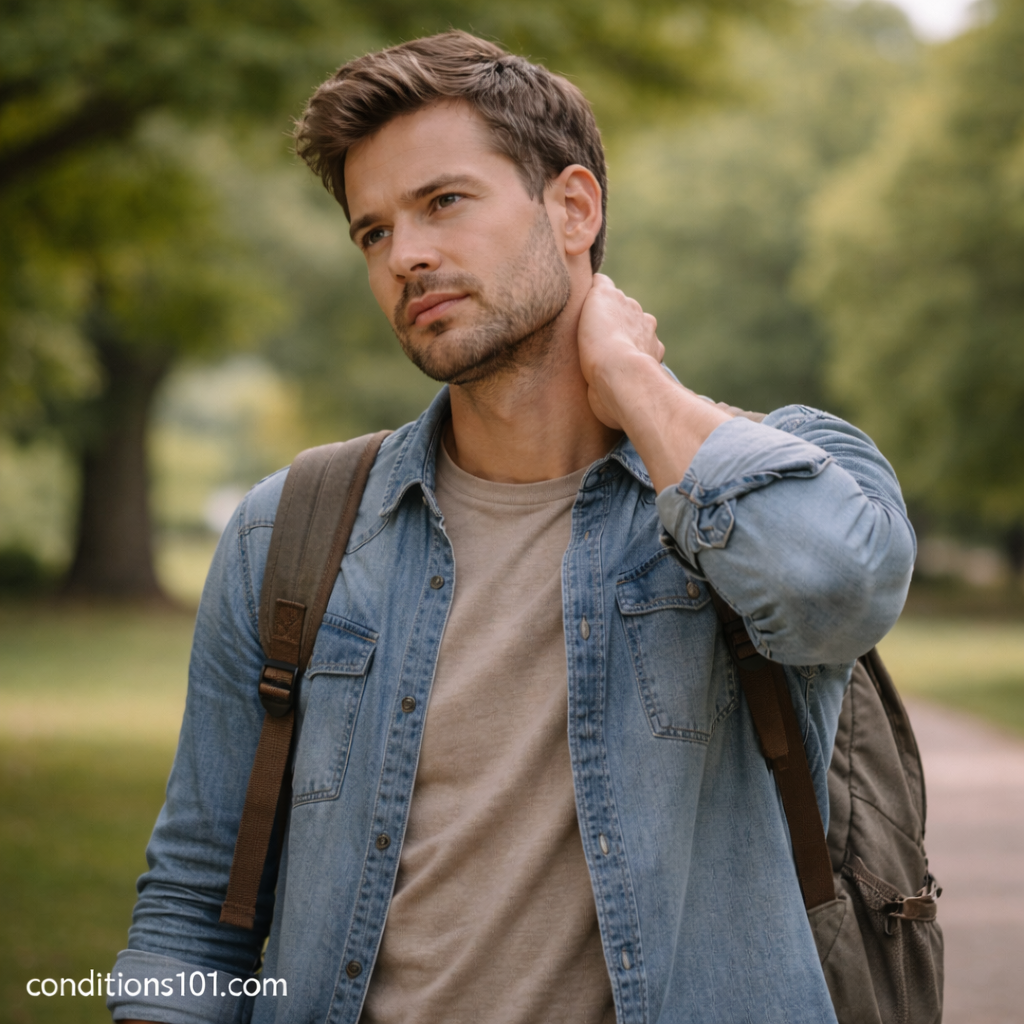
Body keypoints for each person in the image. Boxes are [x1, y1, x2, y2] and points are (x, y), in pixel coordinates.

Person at [110, 30, 915, 1024]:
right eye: (373, 232)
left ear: (573, 209)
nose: (407, 255)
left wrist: (632, 381)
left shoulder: (786, 469)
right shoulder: (290, 530)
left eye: (444, 201)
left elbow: (836, 592)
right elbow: (195, 904)